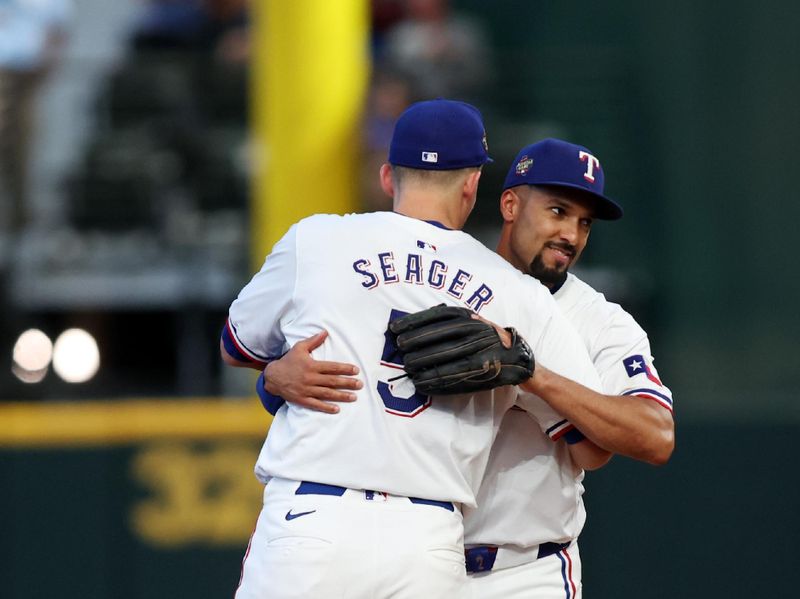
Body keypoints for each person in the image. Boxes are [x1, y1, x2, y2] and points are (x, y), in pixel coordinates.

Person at [219, 99, 606, 599]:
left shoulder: (314, 240)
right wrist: (529, 372)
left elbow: (235, 344)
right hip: (427, 540)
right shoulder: (518, 295)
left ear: (387, 176)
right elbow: (593, 444)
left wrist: (273, 373)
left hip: (311, 517)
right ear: (472, 185)